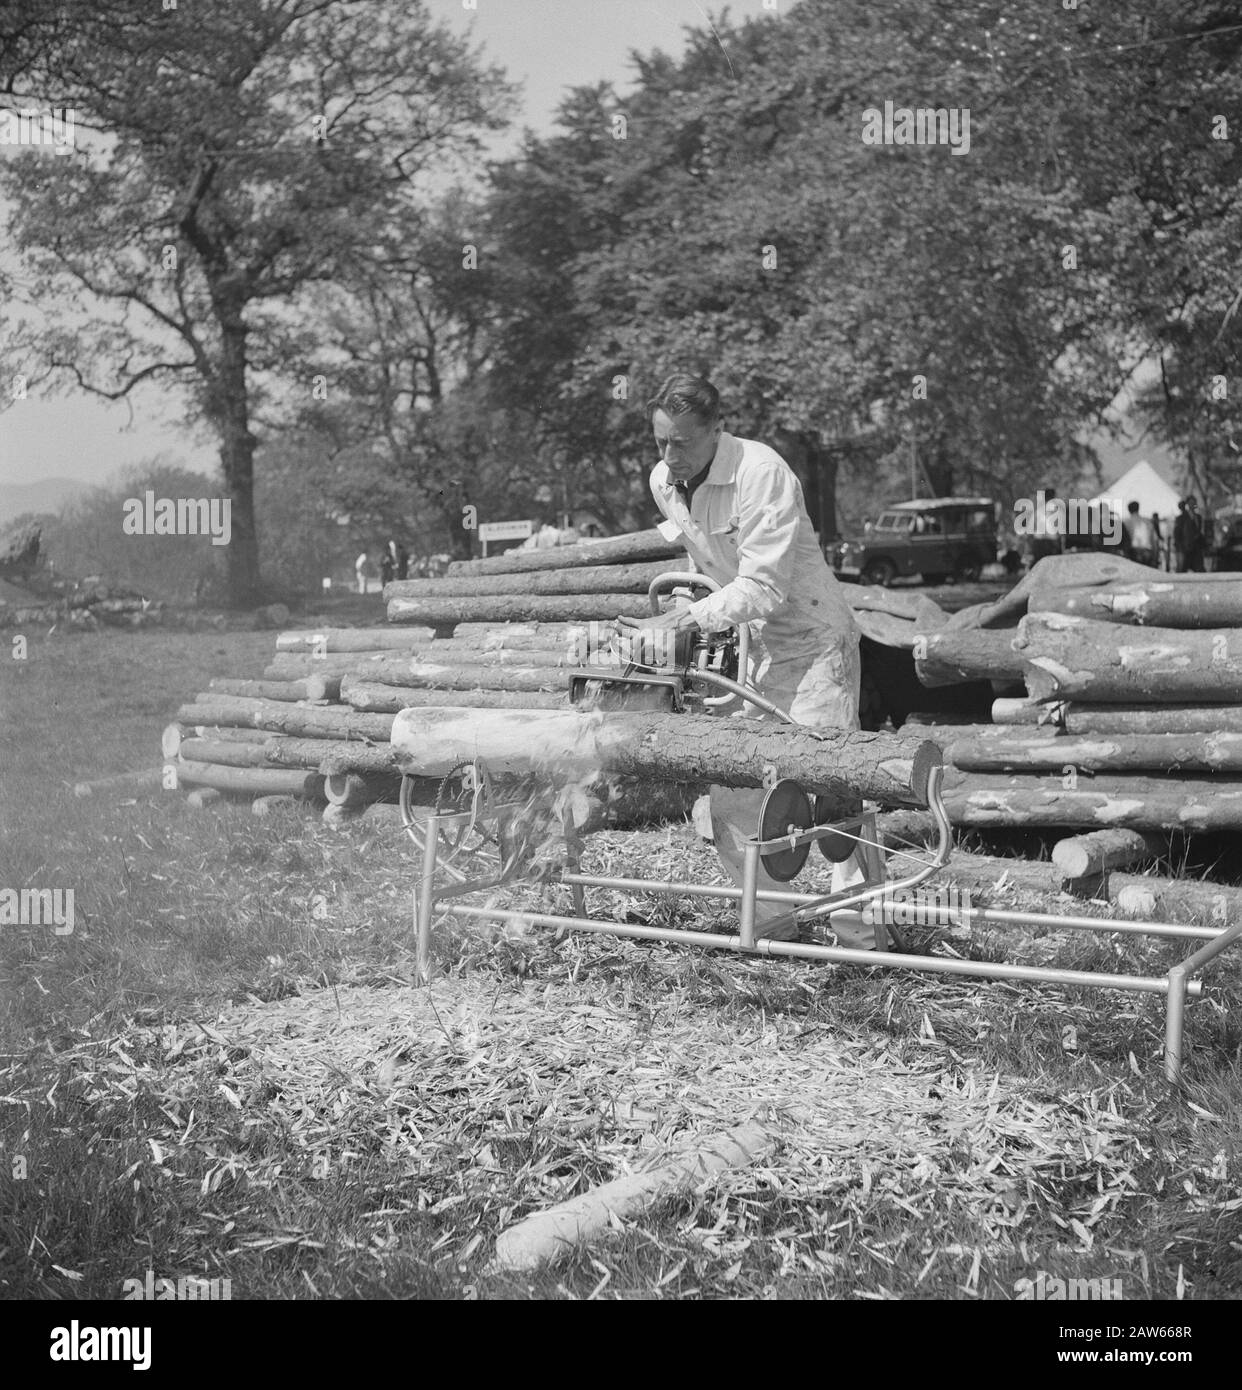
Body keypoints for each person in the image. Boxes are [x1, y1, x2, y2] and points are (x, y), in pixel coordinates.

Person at [616, 373, 870, 945]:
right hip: (754, 646)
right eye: (660, 441)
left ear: (715, 430)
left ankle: (861, 941)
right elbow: (703, 564)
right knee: (736, 781)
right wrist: (679, 616)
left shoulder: (761, 472)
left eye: (681, 442)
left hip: (812, 639)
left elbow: (765, 585)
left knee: (832, 794)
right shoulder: (664, 481)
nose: (668, 455)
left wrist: (683, 621)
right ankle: (776, 930)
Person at [1174, 498, 1206, 572]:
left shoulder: (1198, 517)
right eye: (1191, 503)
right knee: (1182, 570)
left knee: (1199, 569)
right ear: (1187, 504)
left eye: (1194, 503)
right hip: (1186, 548)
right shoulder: (1181, 518)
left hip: (1196, 548)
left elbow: (1199, 531)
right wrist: (1180, 546)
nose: (1192, 505)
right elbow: (1177, 534)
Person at [1121, 501, 1157, 566]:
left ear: (1129, 510)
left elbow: (1124, 541)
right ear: (1138, 509)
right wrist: (1155, 558)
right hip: (1147, 553)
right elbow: (1154, 541)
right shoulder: (1148, 521)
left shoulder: (1126, 522)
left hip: (1132, 553)